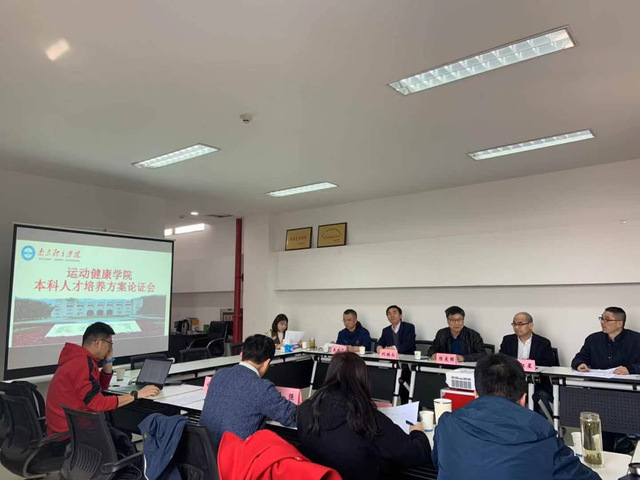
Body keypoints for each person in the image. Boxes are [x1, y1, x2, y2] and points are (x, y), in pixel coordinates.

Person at [433, 354, 600, 480]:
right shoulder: (542, 437)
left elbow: (439, 464)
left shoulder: (447, 425)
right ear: (523, 399)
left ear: (475, 394)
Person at [297, 352, 432, 480]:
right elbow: (418, 453)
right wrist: (417, 432)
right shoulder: (367, 418)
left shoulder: (305, 410)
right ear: (363, 379)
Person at [46, 322, 160, 437]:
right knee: (122, 437)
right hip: (71, 435)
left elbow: (101, 388)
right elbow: (97, 403)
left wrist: (108, 361)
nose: (110, 348)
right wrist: (136, 394)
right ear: (98, 342)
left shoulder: (80, 359)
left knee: (121, 432)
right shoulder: (82, 363)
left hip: (67, 429)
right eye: (109, 344)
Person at [200, 334, 297, 448]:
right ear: (266, 363)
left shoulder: (218, 375)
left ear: (241, 355)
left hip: (203, 452)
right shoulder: (262, 387)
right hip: (235, 456)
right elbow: (292, 417)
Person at [571, 306, 640, 375]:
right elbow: (579, 358)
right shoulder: (593, 339)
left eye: (607, 320)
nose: (602, 322)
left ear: (619, 323)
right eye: (602, 319)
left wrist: (630, 369)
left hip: (624, 380)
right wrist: (579, 364)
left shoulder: (636, 339)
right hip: (596, 380)